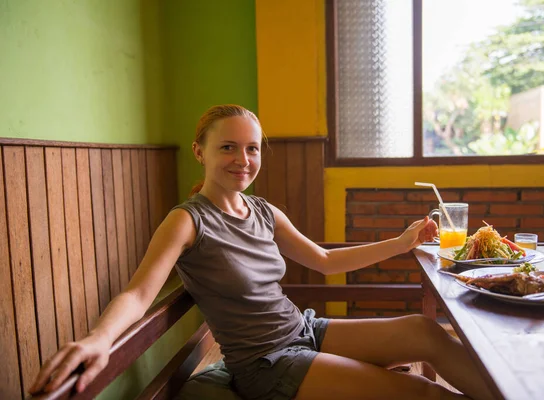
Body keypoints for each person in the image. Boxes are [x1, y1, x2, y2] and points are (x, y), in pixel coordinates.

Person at [29, 104, 493, 400]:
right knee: (422, 394)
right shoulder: (187, 220)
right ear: (200, 151)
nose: (242, 159)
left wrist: (401, 242)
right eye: (227, 147)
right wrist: (96, 339)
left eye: (252, 149)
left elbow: (325, 261)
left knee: (424, 332)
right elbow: (136, 294)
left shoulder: (264, 211)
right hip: (266, 362)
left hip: (303, 330)